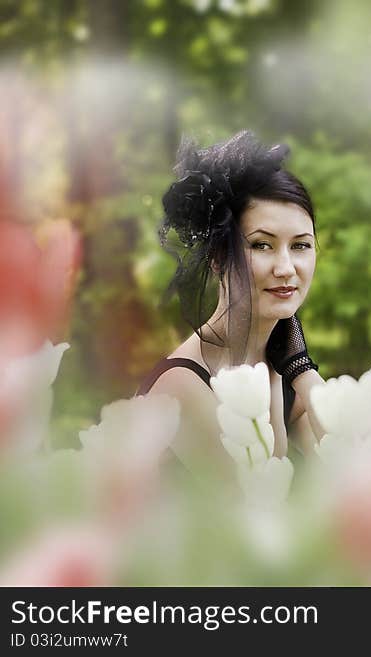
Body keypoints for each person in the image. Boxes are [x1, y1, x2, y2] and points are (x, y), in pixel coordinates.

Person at [137, 131, 325, 479]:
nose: (286, 268)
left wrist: (300, 367)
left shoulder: (283, 361)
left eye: (300, 246)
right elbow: (262, 501)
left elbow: (347, 467)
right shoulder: (179, 385)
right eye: (262, 246)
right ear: (218, 259)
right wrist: (276, 377)